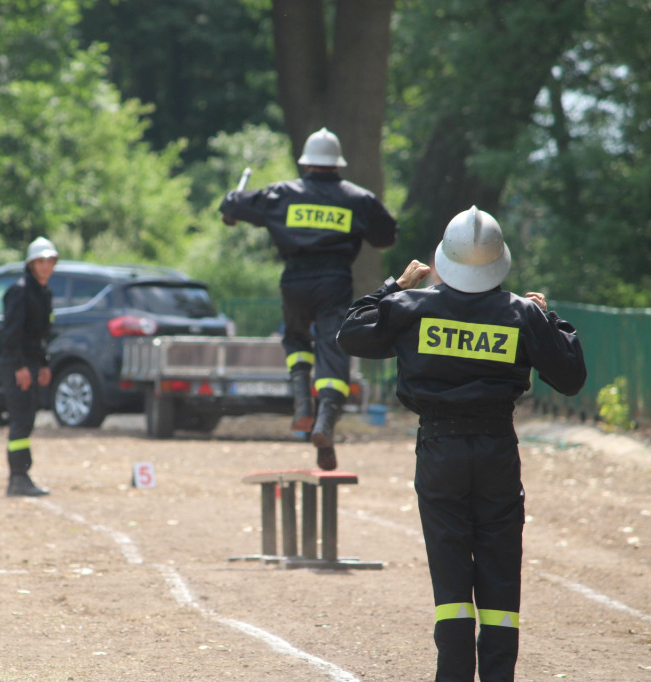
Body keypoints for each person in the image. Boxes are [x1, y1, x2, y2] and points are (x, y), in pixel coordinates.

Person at [336, 206, 586, 681]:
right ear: (499, 261)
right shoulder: (522, 314)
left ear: (443, 259)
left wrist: (395, 286)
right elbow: (570, 378)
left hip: (439, 449)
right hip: (496, 450)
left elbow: (349, 333)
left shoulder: (412, 308)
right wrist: (547, 316)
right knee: (500, 570)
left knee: (450, 574)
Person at [219, 126, 398, 470]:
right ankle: (324, 423)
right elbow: (386, 237)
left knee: (295, 337)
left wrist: (232, 205)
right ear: (337, 163)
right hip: (334, 280)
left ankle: (302, 403)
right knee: (333, 349)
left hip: (294, 281)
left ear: (307, 162)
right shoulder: (357, 199)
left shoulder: (283, 194)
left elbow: (233, 203)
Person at [1, 237, 58, 497]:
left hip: (32, 364)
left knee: (27, 421)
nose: (45, 266)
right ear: (31, 264)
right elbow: (12, 334)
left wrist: (43, 364)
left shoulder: (44, 292)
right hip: (18, 366)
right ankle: (18, 478)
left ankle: (22, 477)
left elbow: (40, 336)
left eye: (49, 261)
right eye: (40, 262)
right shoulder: (20, 291)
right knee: (20, 422)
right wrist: (20, 367)